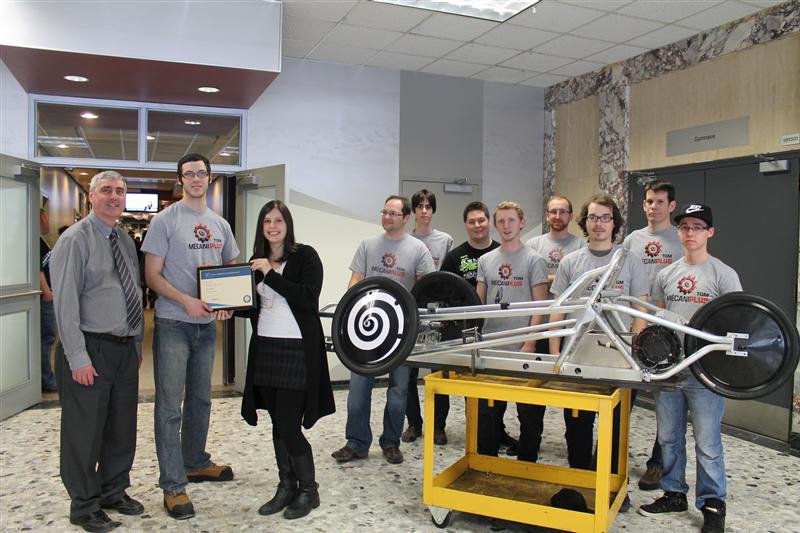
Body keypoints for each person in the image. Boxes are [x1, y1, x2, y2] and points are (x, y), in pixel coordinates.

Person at [142, 153, 240, 520]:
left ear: (210, 178)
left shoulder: (219, 224)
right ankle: (172, 485)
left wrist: (228, 303)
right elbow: (152, 275)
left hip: (206, 327)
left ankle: (195, 461)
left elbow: (231, 267)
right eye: (189, 174)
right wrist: (187, 301)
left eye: (202, 173)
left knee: (201, 400)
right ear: (180, 179)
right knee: (170, 406)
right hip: (173, 324)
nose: (196, 179)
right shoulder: (164, 221)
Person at [50, 170, 145, 533]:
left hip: (123, 350)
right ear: (92, 196)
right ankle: (84, 504)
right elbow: (67, 305)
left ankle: (113, 491)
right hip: (90, 347)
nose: (114, 196)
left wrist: (135, 342)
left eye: (120, 191)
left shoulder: (122, 239)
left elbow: (131, 291)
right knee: (84, 432)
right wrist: (78, 357)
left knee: (122, 427)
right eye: (106, 190)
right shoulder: (75, 239)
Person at [638, 204, 739, 533]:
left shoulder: (723, 274)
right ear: (679, 232)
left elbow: (736, 324)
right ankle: (674, 492)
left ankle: (712, 504)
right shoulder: (665, 275)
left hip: (705, 373)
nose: (690, 232)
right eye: (685, 227)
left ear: (710, 232)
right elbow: (656, 323)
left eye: (698, 227)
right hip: (670, 370)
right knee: (668, 437)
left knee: (707, 443)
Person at [238, 200, 335, 520]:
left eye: (278, 220)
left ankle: (309, 489)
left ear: (288, 224)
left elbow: (307, 298)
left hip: (297, 351)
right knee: (278, 423)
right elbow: (250, 304)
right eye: (267, 221)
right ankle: (286, 485)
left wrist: (270, 273)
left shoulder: (305, 256)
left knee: (290, 425)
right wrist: (226, 307)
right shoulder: (255, 261)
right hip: (265, 349)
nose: (272, 226)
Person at [548, 194, 648, 472]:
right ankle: (580, 480)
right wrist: (556, 354)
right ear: (584, 222)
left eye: (605, 217)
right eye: (593, 217)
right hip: (576, 355)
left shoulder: (630, 262)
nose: (599, 223)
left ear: (614, 223)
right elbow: (558, 310)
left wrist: (635, 352)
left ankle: (611, 484)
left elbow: (642, 312)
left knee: (615, 427)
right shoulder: (570, 262)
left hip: (619, 356)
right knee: (577, 425)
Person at [331, 195, 434, 465]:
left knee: (399, 390)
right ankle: (356, 443)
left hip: (402, 333)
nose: (387, 217)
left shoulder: (418, 249)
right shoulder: (367, 245)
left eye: (393, 213)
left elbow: (425, 290)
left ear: (406, 217)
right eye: (384, 212)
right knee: (358, 389)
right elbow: (355, 281)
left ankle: (391, 443)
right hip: (366, 331)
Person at [438, 201, 518, 452]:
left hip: (496, 329)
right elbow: (443, 291)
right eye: (472, 221)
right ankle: (457, 428)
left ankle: (497, 428)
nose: (477, 225)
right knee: (465, 382)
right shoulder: (454, 257)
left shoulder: (501, 251)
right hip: (463, 329)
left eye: (481, 220)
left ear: (489, 223)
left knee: (497, 383)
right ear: (466, 225)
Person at [476, 201, 549, 459]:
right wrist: (478, 341)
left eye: (511, 220)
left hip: (522, 347)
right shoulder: (485, 260)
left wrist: (530, 342)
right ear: (495, 226)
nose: (506, 226)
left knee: (528, 411)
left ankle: (527, 460)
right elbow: (479, 304)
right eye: (501, 221)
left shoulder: (534, 260)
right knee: (487, 411)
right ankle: (487, 461)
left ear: (521, 223)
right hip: (491, 344)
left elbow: (541, 305)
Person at [622, 180, 682, 491]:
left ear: (672, 206)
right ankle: (608, 457)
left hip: (668, 335)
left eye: (660, 201)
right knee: (622, 397)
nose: (653, 206)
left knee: (666, 406)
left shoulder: (682, 238)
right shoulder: (632, 240)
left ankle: (658, 464)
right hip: (635, 328)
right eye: (649, 201)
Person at [401, 189, 453, 444]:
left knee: (438, 373)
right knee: (408, 373)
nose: (424, 211)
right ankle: (413, 423)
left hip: (438, 316)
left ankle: (439, 426)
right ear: (412, 212)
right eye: (419, 206)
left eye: (428, 206)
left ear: (433, 210)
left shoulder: (445, 241)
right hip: (412, 314)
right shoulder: (405, 241)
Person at [526, 195, 586, 284]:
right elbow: (526, 279)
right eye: (553, 212)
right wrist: (566, 277)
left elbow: (582, 280)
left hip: (571, 298)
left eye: (562, 212)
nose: (557, 217)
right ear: (547, 216)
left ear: (570, 216)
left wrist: (541, 279)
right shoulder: (532, 245)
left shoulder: (582, 246)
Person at [39, 208, 58, 392]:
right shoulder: (34, 242)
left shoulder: (41, 241)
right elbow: (37, 269)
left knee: (47, 338)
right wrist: (47, 292)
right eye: (47, 218)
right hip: (45, 298)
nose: (49, 222)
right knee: (47, 338)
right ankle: (45, 379)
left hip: (48, 294)